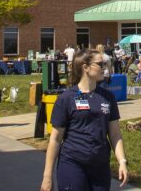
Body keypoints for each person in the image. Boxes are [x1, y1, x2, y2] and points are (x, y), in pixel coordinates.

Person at [41, 49, 128, 191]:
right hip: (72, 164)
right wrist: (47, 176)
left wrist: (122, 162)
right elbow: (55, 139)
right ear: (86, 67)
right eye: (100, 64)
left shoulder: (108, 97)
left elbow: (115, 134)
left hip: (100, 167)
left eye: (105, 63)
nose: (104, 68)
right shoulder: (66, 99)